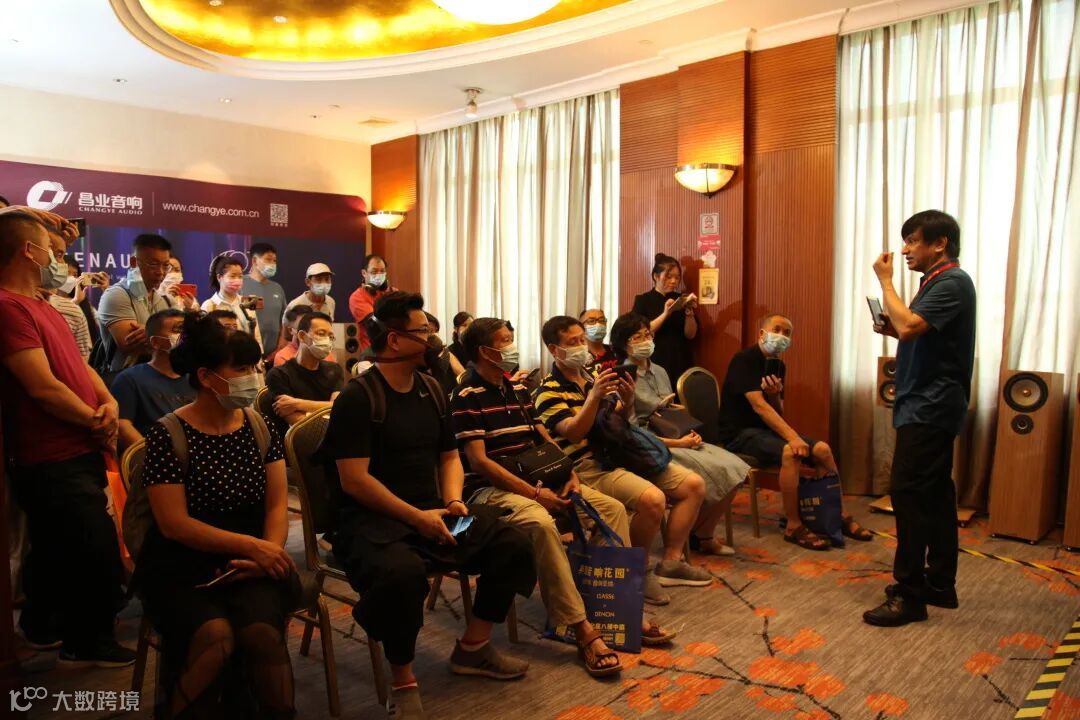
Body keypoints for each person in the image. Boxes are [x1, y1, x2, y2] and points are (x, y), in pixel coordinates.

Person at [321, 291, 535, 718]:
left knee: (511, 542)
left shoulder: (432, 389)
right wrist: (416, 517)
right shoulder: (358, 398)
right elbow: (354, 480)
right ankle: (403, 678)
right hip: (374, 523)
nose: (433, 340)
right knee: (400, 576)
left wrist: (453, 499)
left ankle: (473, 647)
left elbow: (449, 456)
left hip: (436, 514)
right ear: (395, 339)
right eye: (423, 331)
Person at [452, 318, 674, 677]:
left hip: (539, 477)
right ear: (485, 352)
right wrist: (535, 493)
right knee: (541, 523)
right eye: (505, 341)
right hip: (492, 490)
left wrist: (567, 472)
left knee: (612, 509)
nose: (512, 347)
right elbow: (479, 462)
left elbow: (544, 438)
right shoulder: (466, 396)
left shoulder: (517, 389)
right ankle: (582, 627)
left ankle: (615, 610)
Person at [134, 313, 298, 718]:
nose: (254, 378)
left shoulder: (260, 426)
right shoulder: (168, 434)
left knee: (262, 633)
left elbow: (276, 504)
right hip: (183, 562)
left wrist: (268, 552)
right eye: (242, 370)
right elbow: (174, 524)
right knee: (215, 637)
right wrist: (254, 548)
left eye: (255, 367)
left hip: (251, 560)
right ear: (207, 377)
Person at [0, 207, 133, 665]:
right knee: (91, 547)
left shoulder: (45, 304)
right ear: (29, 250)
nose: (59, 260)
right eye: (53, 252)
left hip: (79, 444)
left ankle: (42, 624)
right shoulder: (8, 307)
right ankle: (87, 639)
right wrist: (94, 419)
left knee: (57, 546)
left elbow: (78, 367)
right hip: (49, 453)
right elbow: (41, 386)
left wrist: (108, 402)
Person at [535, 315, 712, 603]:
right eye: (572, 342)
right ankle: (639, 571)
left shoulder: (593, 376)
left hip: (621, 452)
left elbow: (615, 419)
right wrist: (594, 397)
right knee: (652, 500)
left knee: (693, 485)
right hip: (588, 465)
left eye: (582, 339)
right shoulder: (547, 391)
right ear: (554, 350)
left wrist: (627, 401)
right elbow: (575, 432)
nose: (581, 346)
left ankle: (671, 562)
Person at [863, 210, 976, 627]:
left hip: (930, 405)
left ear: (940, 243)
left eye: (913, 240)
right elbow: (918, 333)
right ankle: (940, 583)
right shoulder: (936, 282)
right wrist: (892, 330)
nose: (905, 249)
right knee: (936, 495)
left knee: (908, 494)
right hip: (927, 402)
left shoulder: (952, 281)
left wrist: (886, 283)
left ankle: (910, 595)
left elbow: (911, 326)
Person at [718, 313, 872, 551]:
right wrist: (793, 437)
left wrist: (774, 395)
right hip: (739, 434)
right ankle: (793, 525)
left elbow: (777, 410)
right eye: (777, 330)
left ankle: (836, 514)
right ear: (762, 334)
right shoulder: (744, 360)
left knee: (823, 450)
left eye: (787, 333)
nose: (781, 336)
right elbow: (758, 406)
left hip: (764, 431)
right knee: (791, 452)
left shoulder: (778, 365)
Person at [610, 313, 750, 556]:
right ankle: (697, 536)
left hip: (675, 435)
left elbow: (667, 412)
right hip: (650, 444)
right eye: (637, 337)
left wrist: (682, 421)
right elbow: (630, 430)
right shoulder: (622, 377)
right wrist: (678, 442)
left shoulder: (660, 371)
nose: (645, 341)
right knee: (718, 471)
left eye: (647, 335)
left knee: (737, 468)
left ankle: (702, 534)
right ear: (624, 344)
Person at [111, 308, 196, 450]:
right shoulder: (130, 379)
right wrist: (153, 455)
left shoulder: (197, 378)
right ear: (156, 342)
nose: (186, 336)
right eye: (178, 330)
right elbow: (123, 425)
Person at [97, 233, 176, 377]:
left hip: (162, 378)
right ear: (134, 262)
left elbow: (184, 340)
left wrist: (149, 333)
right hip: (126, 380)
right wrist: (168, 336)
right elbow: (129, 344)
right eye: (153, 264)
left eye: (166, 266)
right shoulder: (116, 295)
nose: (160, 272)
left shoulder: (166, 301)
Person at [265, 311, 344, 426]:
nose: (327, 340)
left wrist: (298, 404)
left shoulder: (334, 369)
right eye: (321, 334)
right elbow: (299, 424)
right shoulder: (279, 375)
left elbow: (339, 407)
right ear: (302, 336)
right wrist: (329, 409)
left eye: (331, 337)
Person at [631, 253, 698, 384]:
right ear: (656, 276)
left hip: (680, 359)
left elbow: (690, 335)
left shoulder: (681, 299)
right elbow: (642, 332)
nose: (673, 281)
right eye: (668, 277)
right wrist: (666, 313)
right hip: (655, 359)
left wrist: (689, 314)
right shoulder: (643, 300)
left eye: (677, 278)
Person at [39, 229, 92, 360]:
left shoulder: (74, 311)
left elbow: (82, 361)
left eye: (75, 274)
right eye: (58, 255)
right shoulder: (12, 303)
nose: (62, 264)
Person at [202, 254, 262, 347]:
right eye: (232, 276)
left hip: (247, 353)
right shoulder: (209, 305)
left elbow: (256, 334)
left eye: (240, 276)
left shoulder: (247, 303)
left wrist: (258, 353)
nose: (237, 280)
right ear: (219, 277)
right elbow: (204, 337)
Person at [242, 243, 287, 358]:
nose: (272, 264)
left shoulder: (277, 288)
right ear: (254, 261)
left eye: (274, 261)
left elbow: (284, 320)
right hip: (246, 351)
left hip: (274, 353)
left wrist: (281, 345)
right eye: (268, 259)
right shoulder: (240, 284)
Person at [347, 253, 395, 351]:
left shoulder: (393, 292)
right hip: (372, 352)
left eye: (382, 271)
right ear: (364, 273)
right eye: (374, 271)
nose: (379, 275)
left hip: (395, 348)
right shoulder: (357, 297)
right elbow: (375, 324)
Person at [423, 311, 466, 395]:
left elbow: (463, 376)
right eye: (428, 331)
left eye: (435, 331)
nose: (435, 336)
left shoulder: (444, 354)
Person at [580, 308, 617, 373]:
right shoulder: (578, 356)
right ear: (581, 326)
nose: (598, 324)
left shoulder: (615, 351)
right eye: (591, 321)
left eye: (602, 320)